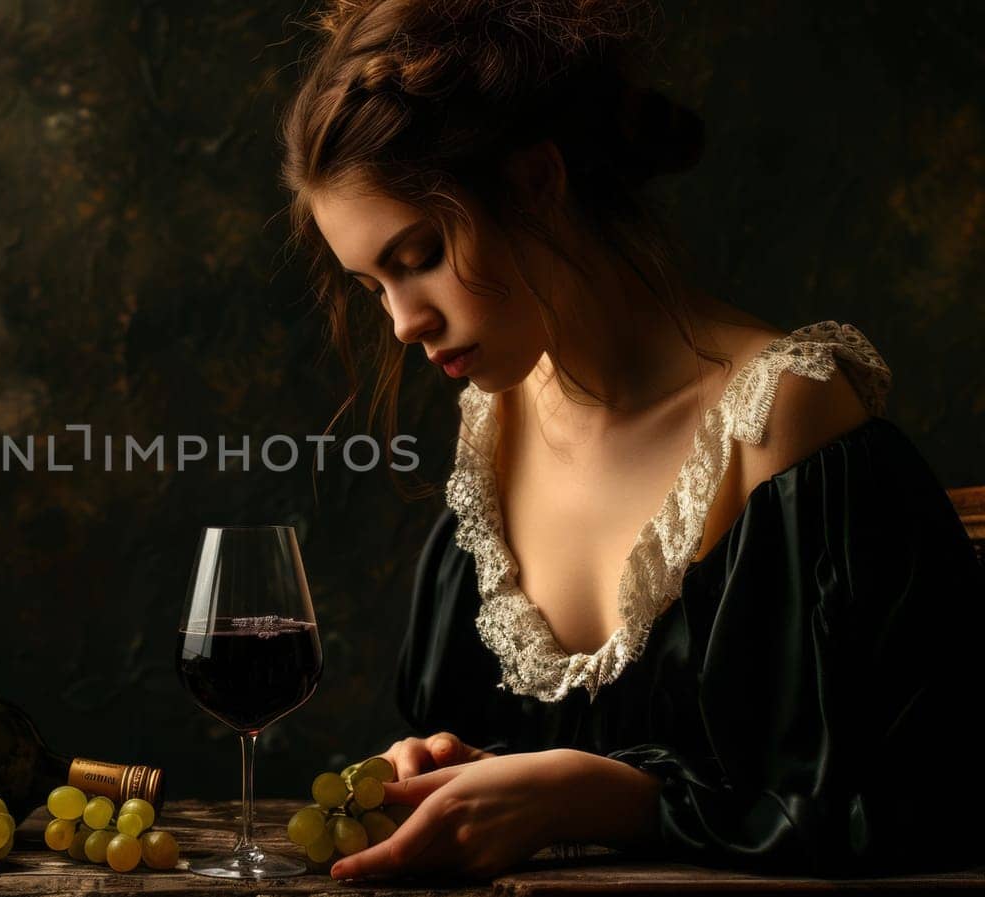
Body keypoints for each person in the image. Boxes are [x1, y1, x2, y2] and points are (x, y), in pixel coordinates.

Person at [277, 0, 985, 883]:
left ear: (537, 181)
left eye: (418, 255)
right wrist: (454, 764)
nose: (403, 323)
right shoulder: (494, 429)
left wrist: (599, 796)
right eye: (370, 285)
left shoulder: (786, 415)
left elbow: (924, 798)